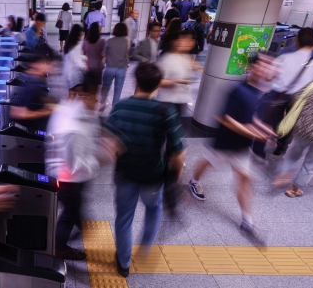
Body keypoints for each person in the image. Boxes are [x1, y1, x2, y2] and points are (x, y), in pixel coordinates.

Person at [106, 62, 185, 277]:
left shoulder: (120, 106)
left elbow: (110, 141)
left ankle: (123, 263)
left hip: (125, 174)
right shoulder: (166, 111)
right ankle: (145, 246)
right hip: (153, 175)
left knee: (123, 218)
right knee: (153, 209)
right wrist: (174, 178)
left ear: (135, 82)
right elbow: (178, 153)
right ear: (159, 84)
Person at [188, 59, 271, 242]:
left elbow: (249, 118)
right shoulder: (238, 90)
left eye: (269, 65)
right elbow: (225, 119)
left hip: (242, 146)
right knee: (207, 163)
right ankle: (194, 181)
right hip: (225, 142)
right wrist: (254, 133)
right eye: (262, 64)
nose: (266, 69)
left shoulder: (259, 92)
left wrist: (261, 128)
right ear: (253, 67)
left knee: (242, 180)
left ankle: (247, 221)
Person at [45, 87, 102, 260]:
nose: (99, 102)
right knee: (73, 215)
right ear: (86, 96)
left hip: (67, 177)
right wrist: (102, 159)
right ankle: (60, 249)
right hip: (68, 179)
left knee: (71, 213)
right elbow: (74, 164)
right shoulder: (73, 127)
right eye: (96, 98)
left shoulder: (69, 110)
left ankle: (66, 238)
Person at [253, 28, 313, 158]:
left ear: (297, 41)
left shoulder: (284, 57)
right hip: (298, 100)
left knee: (267, 121)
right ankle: (281, 148)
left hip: (277, 95)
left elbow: (269, 77)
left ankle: (258, 150)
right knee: (289, 124)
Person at [274, 80, 313, 198]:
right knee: (311, 164)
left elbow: (294, 101)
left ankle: (282, 174)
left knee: (292, 154)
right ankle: (295, 188)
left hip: (303, 130)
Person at [156, 30, 198, 116]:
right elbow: (158, 81)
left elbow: (188, 80)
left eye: (190, 40)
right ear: (175, 42)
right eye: (183, 39)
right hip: (167, 102)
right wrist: (177, 81)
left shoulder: (188, 58)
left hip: (181, 100)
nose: (187, 42)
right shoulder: (167, 59)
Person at [9, 53, 54, 130]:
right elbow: (17, 113)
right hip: (26, 133)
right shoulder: (30, 83)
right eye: (46, 63)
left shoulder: (38, 80)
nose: (50, 67)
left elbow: (34, 98)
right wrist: (45, 112)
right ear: (35, 64)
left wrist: (49, 101)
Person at [100, 23, 130, 110]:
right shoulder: (127, 42)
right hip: (121, 69)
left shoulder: (110, 41)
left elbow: (103, 54)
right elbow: (127, 55)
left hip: (110, 67)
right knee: (118, 89)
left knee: (105, 87)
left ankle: (102, 103)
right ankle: (114, 108)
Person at [63, 24, 87, 100]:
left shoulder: (68, 44)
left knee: (71, 95)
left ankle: (66, 111)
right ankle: (77, 111)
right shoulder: (76, 47)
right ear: (78, 34)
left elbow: (73, 57)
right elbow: (78, 63)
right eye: (81, 34)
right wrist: (87, 70)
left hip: (68, 74)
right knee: (83, 96)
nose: (82, 36)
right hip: (75, 76)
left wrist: (84, 57)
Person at [82, 22, 106, 95]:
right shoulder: (102, 41)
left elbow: (83, 53)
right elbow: (104, 54)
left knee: (88, 85)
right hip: (98, 67)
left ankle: (88, 100)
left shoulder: (86, 41)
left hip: (88, 66)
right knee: (95, 87)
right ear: (98, 30)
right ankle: (93, 99)